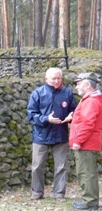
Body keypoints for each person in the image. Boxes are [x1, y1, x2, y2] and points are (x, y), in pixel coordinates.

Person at [27, 67, 77, 201]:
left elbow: (75, 111)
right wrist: (46, 119)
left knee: (61, 166)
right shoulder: (37, 93)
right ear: (46, 79)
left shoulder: (67, 93)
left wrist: (70, 117)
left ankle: (59, 194)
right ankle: (37, 192)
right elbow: (31, 115)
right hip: (41, 135)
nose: (56, 81)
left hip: (61, 135)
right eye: (53, 78)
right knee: (37, 166)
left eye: (58, 78)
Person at [69, 73, 102, 210]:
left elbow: (88, 123)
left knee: (86, 172)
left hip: (86, 143)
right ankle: (90, 200)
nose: (76, 87)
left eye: (78, 83)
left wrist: (78, 141)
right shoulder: (91, 99)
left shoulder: (91, 101)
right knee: (87, 171)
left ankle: (90, 202)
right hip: (88, 142)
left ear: (87, 84)